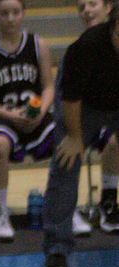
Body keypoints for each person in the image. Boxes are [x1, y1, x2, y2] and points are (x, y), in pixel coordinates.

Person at [43, 3, 119, 267]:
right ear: (112, 25)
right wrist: (75, 137)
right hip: (83, 106)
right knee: (66, 161)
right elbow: (70, 97)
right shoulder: (87, 47)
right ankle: (57, 246)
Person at [0, 0, 55, 241]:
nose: (10, 18)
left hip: (33, 115)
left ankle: (62, 206)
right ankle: (0, 211)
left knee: (66, 138)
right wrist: (9, 115)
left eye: (15, 12)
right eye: (4, 13)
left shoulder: (37, 45)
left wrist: (41, 111)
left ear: (23, 14)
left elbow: (49, 87)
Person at [73, 0, 119, 233]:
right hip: (83, 118)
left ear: (109, 8)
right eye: (81, 8)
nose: (87, 11)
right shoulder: (83, 47)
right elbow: (69, 99)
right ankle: (74, 207)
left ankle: (108, 201)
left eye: (92, 4)